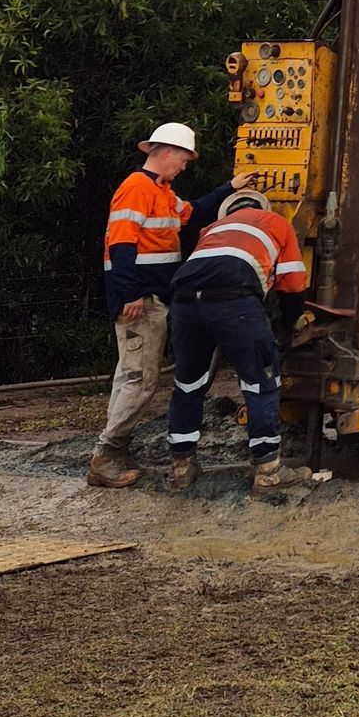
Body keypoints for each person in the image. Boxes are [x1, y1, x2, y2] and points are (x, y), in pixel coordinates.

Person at [165, 190, 309, 497]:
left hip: (183, 302)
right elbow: (293, 281)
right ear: (262, 207)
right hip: (235, 302)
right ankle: (269, 472)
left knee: (189, 383)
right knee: (261, 380)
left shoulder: (211, 230)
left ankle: (181, 467)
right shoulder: (277, 222)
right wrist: (290, 323)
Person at [87, 121, 196, 489]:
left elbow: (193, 212)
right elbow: (121, 245)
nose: (184, 165)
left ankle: (113, 452)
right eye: (183, 158)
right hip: (141, 301)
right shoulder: (136, 189)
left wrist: (231, 189)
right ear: (165, 153)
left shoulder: (162, 191)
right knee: (139, 380)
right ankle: (106, 456)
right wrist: (129, 294)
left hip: (147, 298)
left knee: (132, 376)